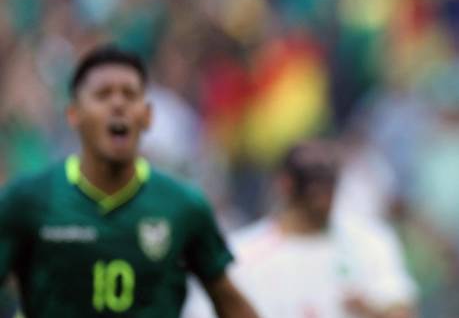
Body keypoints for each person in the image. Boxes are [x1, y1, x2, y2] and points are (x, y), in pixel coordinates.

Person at [0, 45, 258, 317]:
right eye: (103, 95)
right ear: (74, 115)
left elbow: (230, 302)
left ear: (147, 115)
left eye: (129, 94)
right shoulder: (27, 200)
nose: (118, 104)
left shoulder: (183, 206)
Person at [184, 139, 417, 318]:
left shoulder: (369, 242)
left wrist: (371, 310)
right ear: (285, 184)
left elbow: (401, 306)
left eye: (328, 184)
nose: (323, 198)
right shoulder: (240, 256)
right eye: (314, 185)